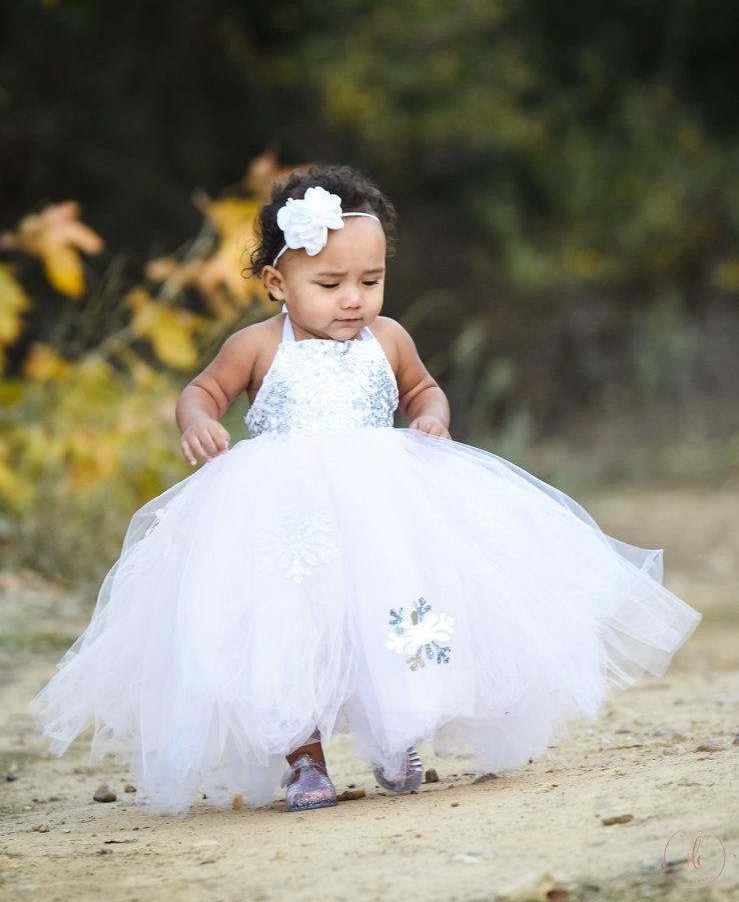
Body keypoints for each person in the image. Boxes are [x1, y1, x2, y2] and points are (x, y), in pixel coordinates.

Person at [27, 163, 702, 816]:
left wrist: (431, 417)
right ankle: (304, 758)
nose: (353, 298)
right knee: (290, 627)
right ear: (276, 282)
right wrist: (199, 422)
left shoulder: (388, 337)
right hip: (284, 515)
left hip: (382, 506)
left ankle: (398, 736)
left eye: (370, 280)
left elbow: (420, 390)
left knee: (394, 609)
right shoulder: (257, 346)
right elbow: (203, 391)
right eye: (329, 283)